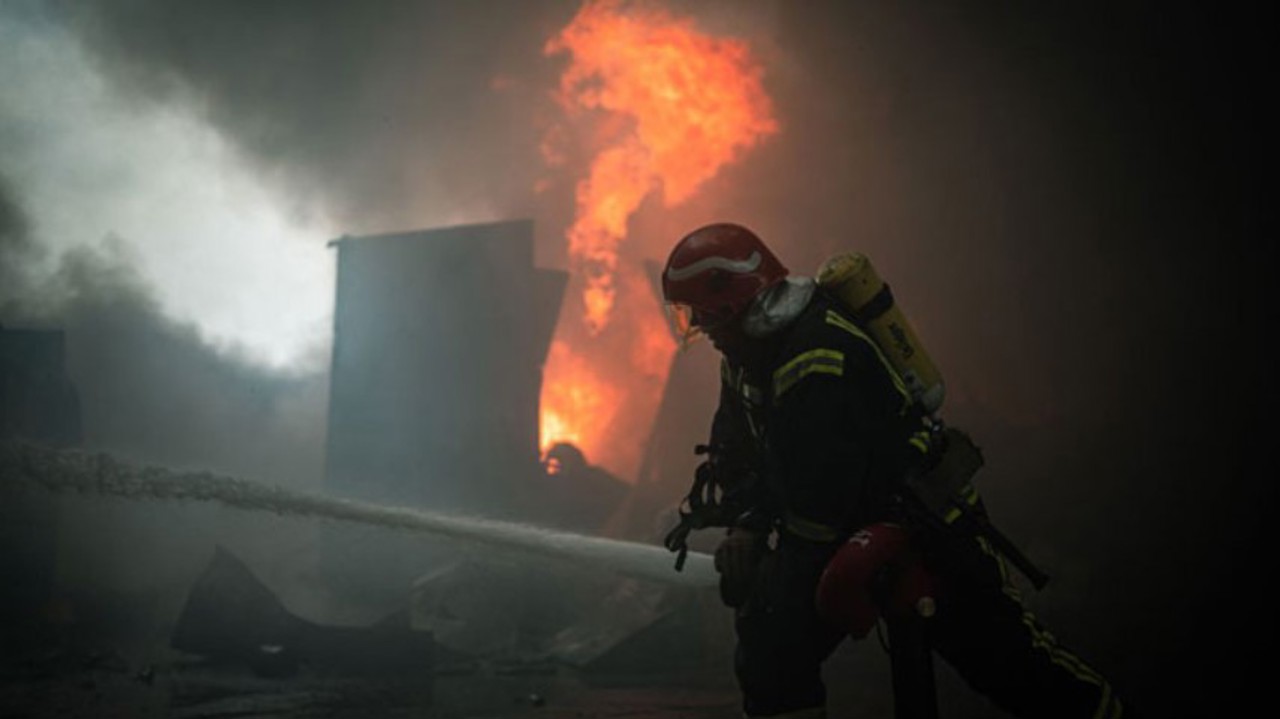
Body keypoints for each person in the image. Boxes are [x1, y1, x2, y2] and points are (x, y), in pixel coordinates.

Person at [660, 223, 1128, 719]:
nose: (698, 329)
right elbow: (739, 451)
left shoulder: (818, 354)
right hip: (843, 531)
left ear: (730, 301)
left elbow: (820, 499)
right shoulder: (746, 355)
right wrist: (745, 526)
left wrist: (768, 567)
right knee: (772, 652)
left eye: (698, 314)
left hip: (926, 528)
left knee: (1017, 670)